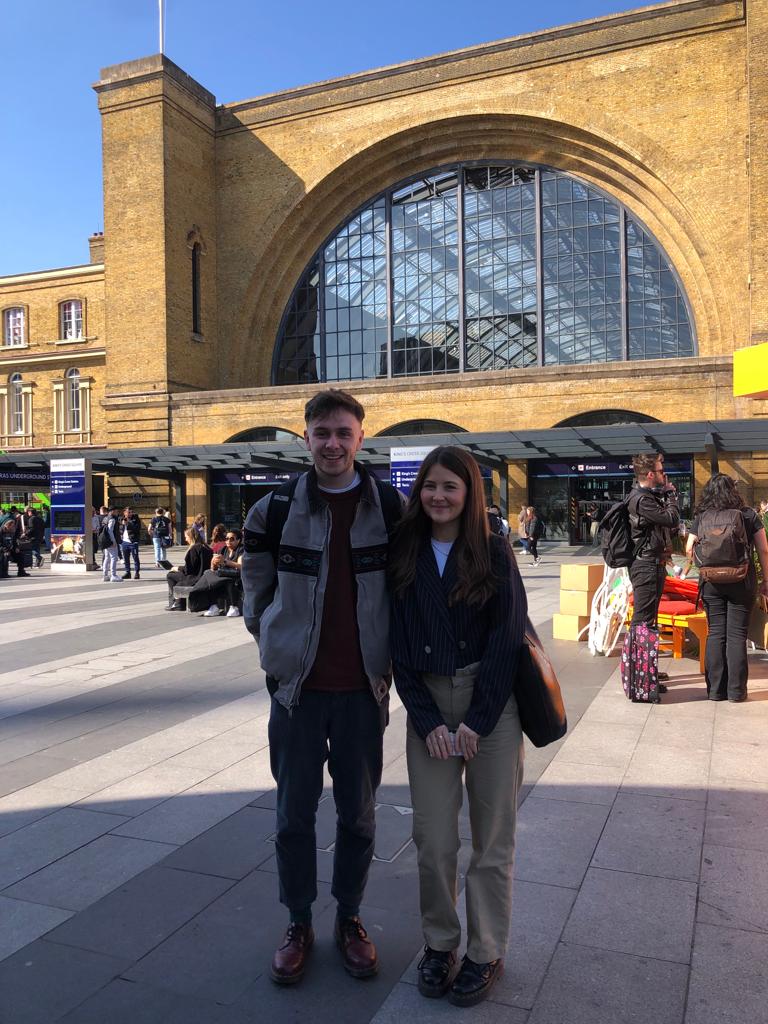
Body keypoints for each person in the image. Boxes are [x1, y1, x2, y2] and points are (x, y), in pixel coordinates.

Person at [242, 388, 402, 987]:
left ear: (361, 438)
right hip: (297, 694)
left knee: (358, 816)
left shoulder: (389, 507)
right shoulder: (275, 510)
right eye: (321, 433)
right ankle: (299, 920)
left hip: (362, 693)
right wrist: (274, 647)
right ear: (305, 438)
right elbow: (254, 592)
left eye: (343, 432)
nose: (332, 443)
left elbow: (406, 588)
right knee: (293, 816)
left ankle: (352, 918)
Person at [389, 446, 527, 1008]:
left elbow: (508, 638)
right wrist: (427, 722)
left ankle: (485, 950)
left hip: (489, 706)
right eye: (429, 486)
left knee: (492, 841)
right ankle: (441, 943)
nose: (438, 497)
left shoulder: (493, 551)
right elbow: (398, 644)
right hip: (428, 704)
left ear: (469, 493)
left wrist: (478, 719)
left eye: (450, 486)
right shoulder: (405, 551)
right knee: (434, 839)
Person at [685, 474, 768, 702]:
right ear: (734, 491)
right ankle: (736, 692)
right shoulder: (748, 515)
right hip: (742, 581)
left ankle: (715, 691)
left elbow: (689, 548)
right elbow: (763, 549)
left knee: (716, 634)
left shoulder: (702, 517)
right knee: (736, 636)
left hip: (711, 583)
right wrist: (766, 581)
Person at [627, 452, 680, 699]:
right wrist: (670, 495)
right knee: (643, 623)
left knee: (648, 622)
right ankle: (641, 680)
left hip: (653, 564)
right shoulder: (641, 500)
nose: (664, 475)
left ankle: (647, 672)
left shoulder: (648, 497)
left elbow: (668, 526)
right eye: (660, 471)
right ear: (650, 474)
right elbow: (671, 518)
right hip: (645, 566)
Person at [189, 528, 244, 617]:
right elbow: (213, 569)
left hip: (236, 576)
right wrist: (213, 562)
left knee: (226, 580)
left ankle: (234, 607)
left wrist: (225, 561)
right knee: (208, 574)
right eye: (227, 538)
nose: (228, 541)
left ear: (238, 540)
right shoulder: (223, 549)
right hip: (223, 574)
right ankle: (213, 606)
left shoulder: (241, 550)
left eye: (232, 539)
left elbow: (241, 566)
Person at [165, 527, 213, 610]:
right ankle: (179, 601)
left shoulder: (194, 549)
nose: (186, 539)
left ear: (191, 537)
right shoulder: (207, 548)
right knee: (175, 575)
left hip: (194, 577)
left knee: (170, 575)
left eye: (186, 537)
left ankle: (177, 602)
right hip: (204, 576)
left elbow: (188, 570)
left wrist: (177, 568)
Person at [119, 506, 143, 580]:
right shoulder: (121, 519)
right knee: (126, 558)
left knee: (135, 557)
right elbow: (120, 529)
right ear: (124, 512)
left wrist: (128, 524)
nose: (130, 514)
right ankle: (127, 572)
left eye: (131, 512)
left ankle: (137, 572)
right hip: (125, 542)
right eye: (128, 512)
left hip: (133, 541)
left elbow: (137, 528)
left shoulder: (136, 519)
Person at [100, 507, 122, 582]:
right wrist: (113, 541)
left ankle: (105, 575)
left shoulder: (105, 518)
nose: (117, 512)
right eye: (116, 511)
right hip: (110, 541)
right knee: (113, 558)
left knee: (107, 558)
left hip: (105, 540)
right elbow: (110, 531)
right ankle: (113, 575)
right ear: (112, 511)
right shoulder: (112, 519)